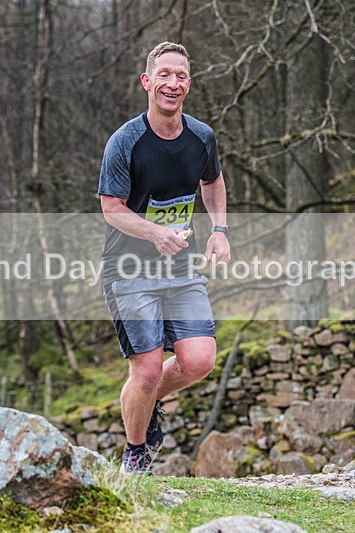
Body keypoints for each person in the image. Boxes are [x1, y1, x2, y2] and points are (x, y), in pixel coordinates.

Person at [98, 42, 230, 474]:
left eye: (182, 76)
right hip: (129, 271)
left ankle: (145, 398)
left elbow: (212, 180)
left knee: (199, 360)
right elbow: (112, 208)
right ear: (148, 82)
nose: (173, 83)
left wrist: (220, 231)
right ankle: (136, 452)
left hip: (180, 268)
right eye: (165, 75)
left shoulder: (201, 136)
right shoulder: (125, 142)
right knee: (149, 369)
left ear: (188, 85)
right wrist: (156, 232)